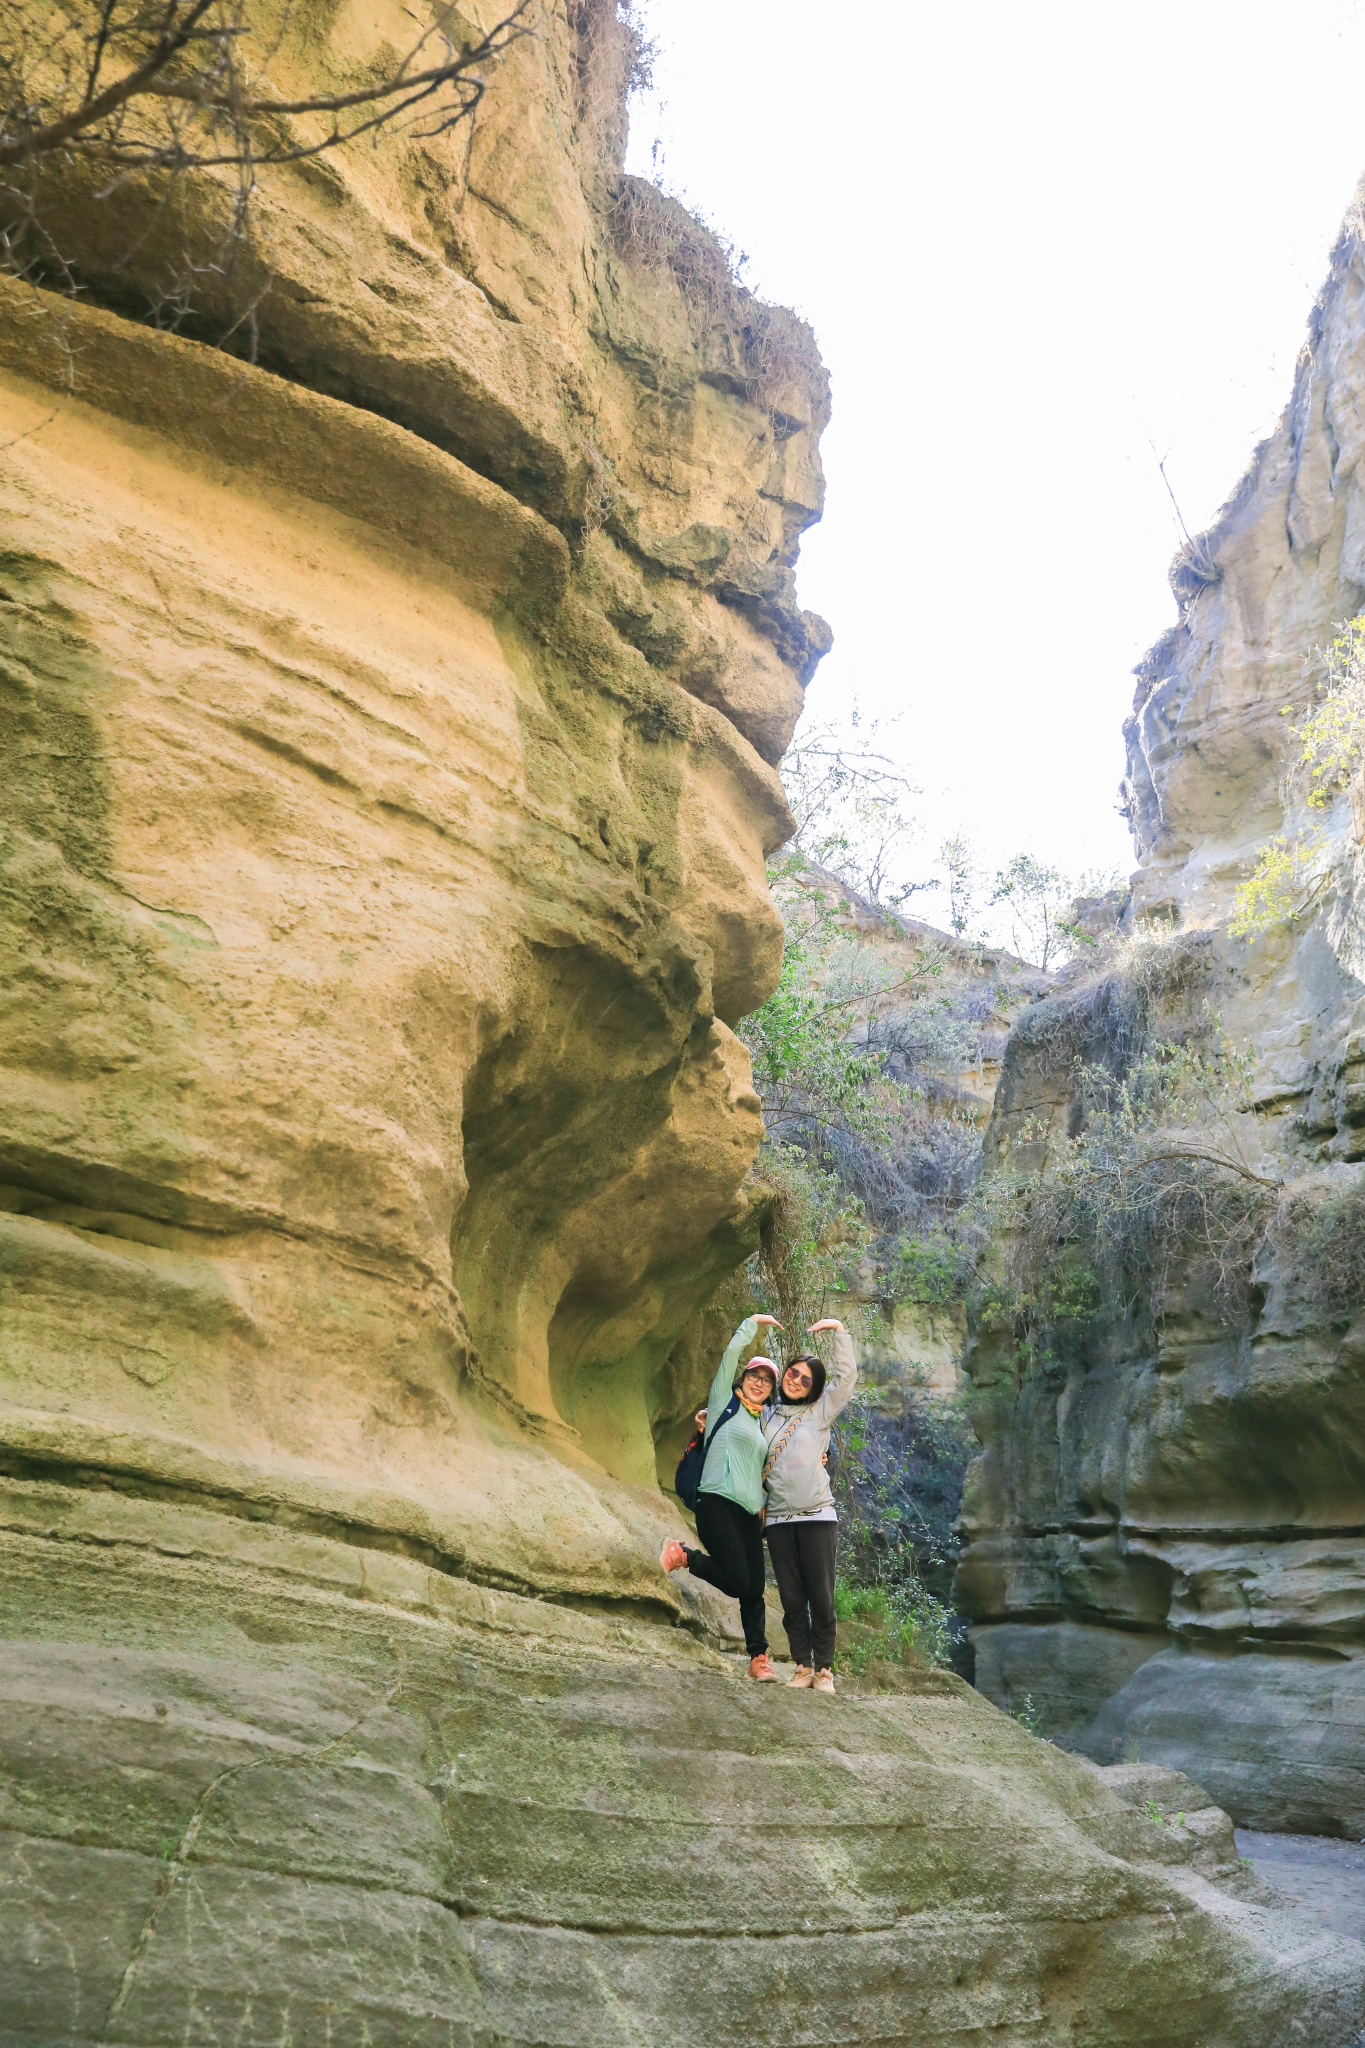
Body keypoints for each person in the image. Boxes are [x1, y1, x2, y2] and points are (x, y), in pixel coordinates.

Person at [660, 1312, 784, 1680]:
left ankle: (758, 1659)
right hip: (715, 1500)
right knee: (735, 1580)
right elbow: (730, 1355)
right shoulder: (721, 1406)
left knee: (754, 1589)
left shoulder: (761, 1423)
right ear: (743, 1379)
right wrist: (751, 1324)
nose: (759, 1383)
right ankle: (684, 1555)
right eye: (754, 1376)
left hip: (750, 1513)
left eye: (766, 1380)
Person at [761, 1317, 858, 1693]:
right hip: (779, 1519)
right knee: (791, 1599)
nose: (796, 1380)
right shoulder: (766, 1416)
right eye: (793, 1373)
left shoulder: (819, 1414)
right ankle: (802, 1666)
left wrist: (839, 1332)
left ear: (814, 1388)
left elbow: (845, 1381)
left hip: (817, 1515)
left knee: (821, 1596)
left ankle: (825, 1670)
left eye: (805, 1379)